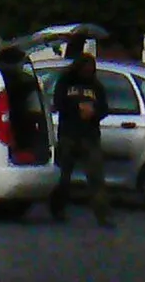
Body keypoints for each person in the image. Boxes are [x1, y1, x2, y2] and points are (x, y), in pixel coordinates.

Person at [49, 34, 111, 227]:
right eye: (85, 68)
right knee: (63, 177)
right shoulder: (66, 82)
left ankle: (103, 215)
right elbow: (58, 103)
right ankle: (57, 209)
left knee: (96, 178)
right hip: (69, 134)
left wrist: (94, 112)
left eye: (91, 69)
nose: (88, 72)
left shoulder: (96, 86)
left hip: (90, 136)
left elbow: (105, 108)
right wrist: (77, 109)